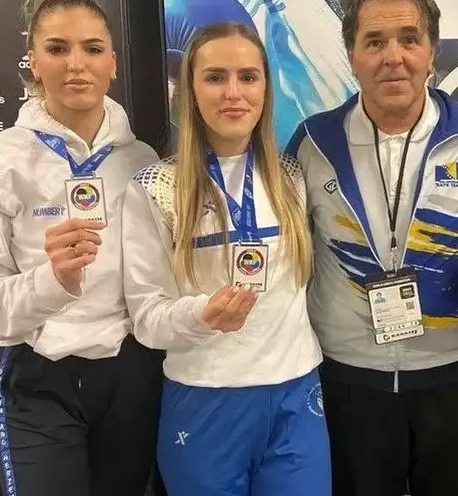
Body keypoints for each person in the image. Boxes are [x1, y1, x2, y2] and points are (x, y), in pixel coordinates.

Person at [286, 0, 458, 494]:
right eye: (374, 41)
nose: (393, 56)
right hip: (348, 379)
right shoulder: (312, 142)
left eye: (409, 39)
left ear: (432, 50)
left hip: (454, 378)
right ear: (351, 55)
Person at [0, 1, 164, 495]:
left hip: (129, 374)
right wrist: (51, 283)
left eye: (92, 49)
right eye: (57, 48)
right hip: (39, 379)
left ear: (113, 63)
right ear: (33, 61)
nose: (76, 64)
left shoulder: (143, 160)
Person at [121, 22, 329, 496]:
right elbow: (147, 319)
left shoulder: (293, 177)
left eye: (248, 77)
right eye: (215, 77)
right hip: (205, 400)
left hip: (295, 394)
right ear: (190, 90)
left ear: (265, 89)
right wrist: (202, 315)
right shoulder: (156, 187)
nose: (233, 93)